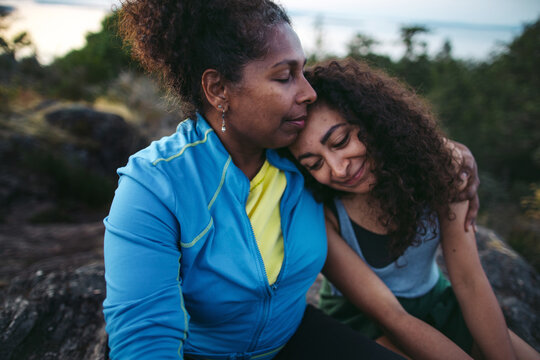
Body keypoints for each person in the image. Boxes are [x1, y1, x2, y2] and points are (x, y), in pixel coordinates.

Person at [103, 1, 417, 359]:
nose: (308, 92)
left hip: (296, 336)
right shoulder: (155, 185)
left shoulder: (302, 156)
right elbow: (145, 341)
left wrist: (454, 156)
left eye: (303, 72)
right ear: (218, 89)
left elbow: (391, 140)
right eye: (285, 77)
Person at [288, 58, 540, 360]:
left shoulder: (442, 170)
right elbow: (392, 316)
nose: (338, 169)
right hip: (365, 318)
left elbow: (470, 281)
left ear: (374, 120)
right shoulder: (323, 211)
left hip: (436, 300)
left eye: (341, 141)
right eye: (314, 164)